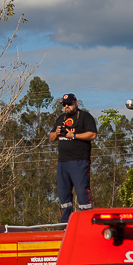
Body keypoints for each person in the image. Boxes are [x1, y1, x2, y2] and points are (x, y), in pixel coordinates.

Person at [48, 92, 98, 224]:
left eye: (69, 104)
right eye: (64, 104)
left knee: (82, 192)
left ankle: (85, 223)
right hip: (62, 162)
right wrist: (56, 133)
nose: (66, 106)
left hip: (79, 161)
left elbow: (92, 134)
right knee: (63, 194)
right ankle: (66, 224)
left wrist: (73, 135)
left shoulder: (85, 116)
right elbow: (51, 138)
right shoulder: (61, 118)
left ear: (76, 103)